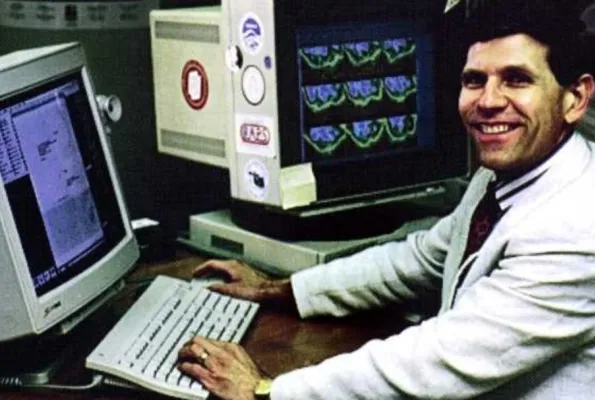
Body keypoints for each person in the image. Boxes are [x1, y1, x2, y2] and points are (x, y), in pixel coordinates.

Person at [177, 1, 595, 398]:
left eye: (516, 79)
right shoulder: (502, 176)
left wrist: (268, 391)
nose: (487, 101)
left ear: (575, 98)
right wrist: (282, 289)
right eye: (474, 80)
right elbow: (421, 259)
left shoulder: (576, 229)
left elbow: (441, 359)